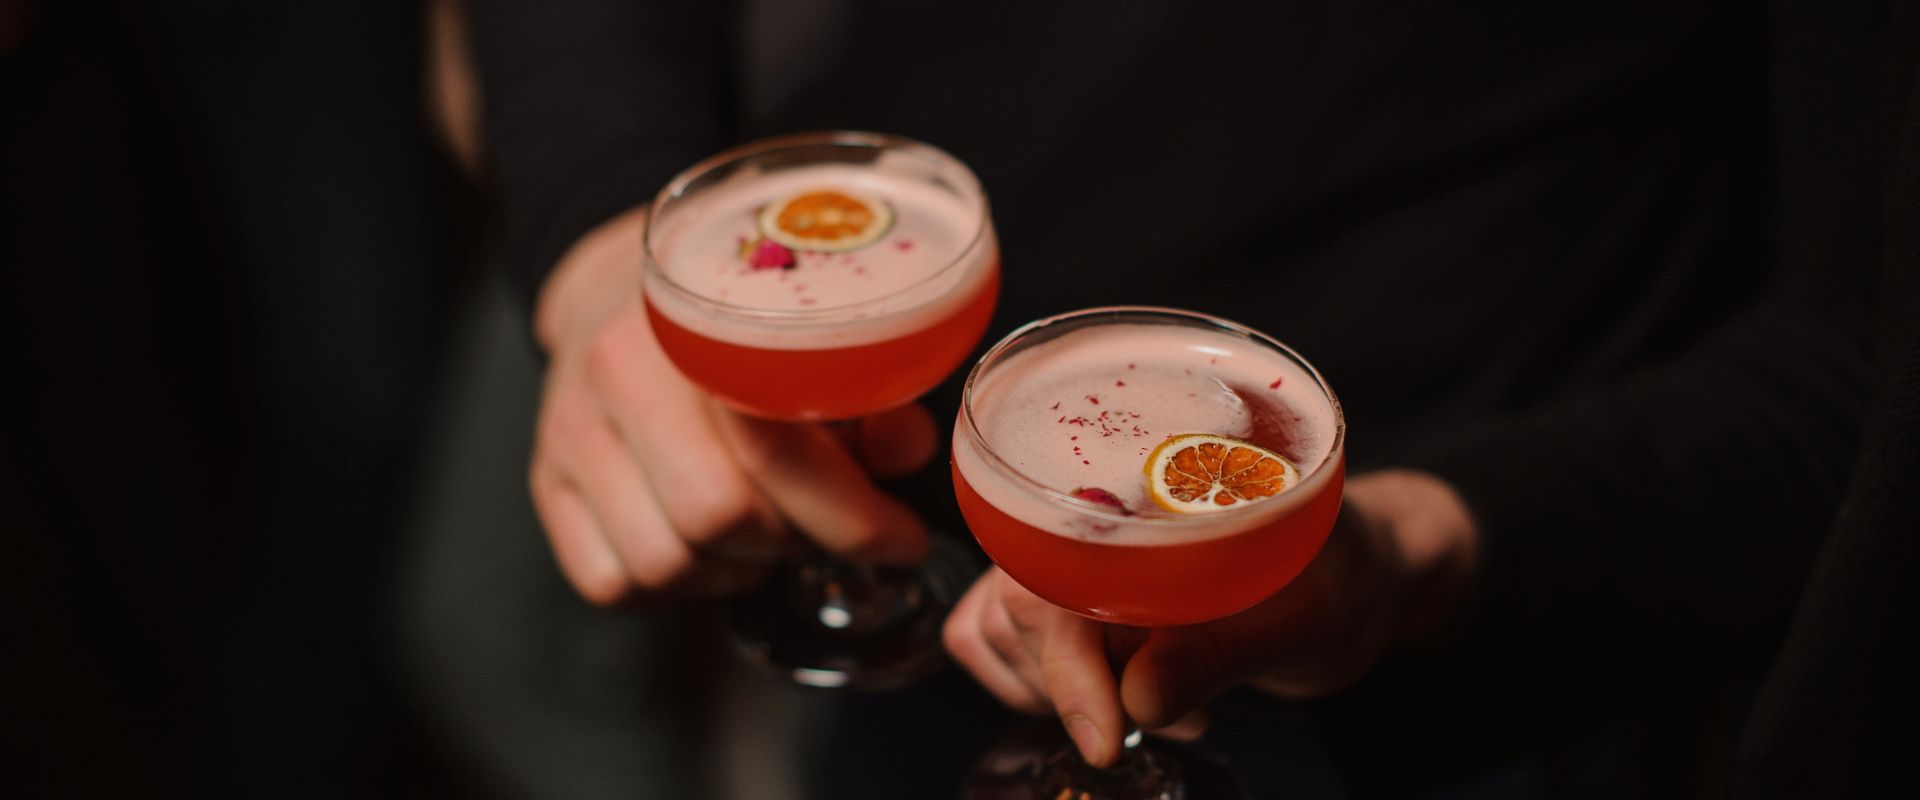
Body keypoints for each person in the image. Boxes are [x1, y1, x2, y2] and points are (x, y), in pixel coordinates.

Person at [463, 0, 1884, 793]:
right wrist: (602, 236)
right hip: (965, 594)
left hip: (1487, 665)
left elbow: (1857, 368)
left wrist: (1425, 547)